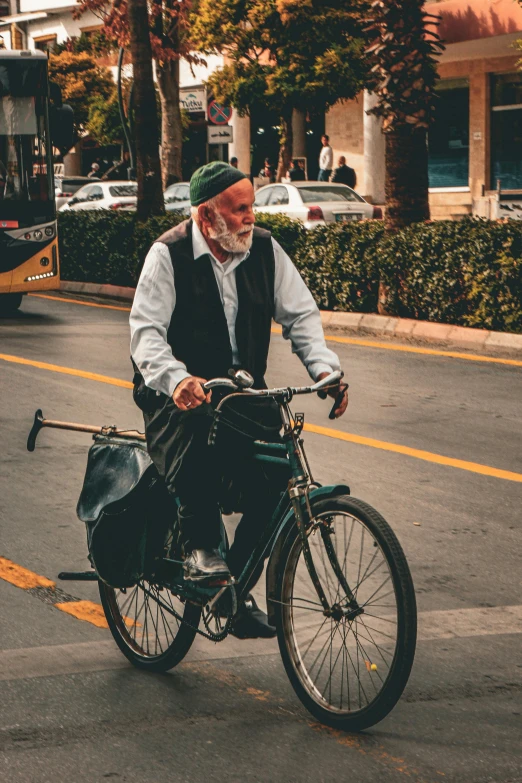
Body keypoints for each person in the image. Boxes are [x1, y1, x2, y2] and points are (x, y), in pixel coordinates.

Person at [130, 162, 347, 639]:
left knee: (277, 475)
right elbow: (145, 335)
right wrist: (177, 379)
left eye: (252, 206)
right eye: (240, 209)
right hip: (175, 396)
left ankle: (235, 585)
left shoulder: (265, 249)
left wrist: (325, 369)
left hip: (242, 393)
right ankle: (203, 550)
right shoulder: (166, 255)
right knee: (194, 441)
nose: (251, 217)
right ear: (208, 217)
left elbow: (301, 314)